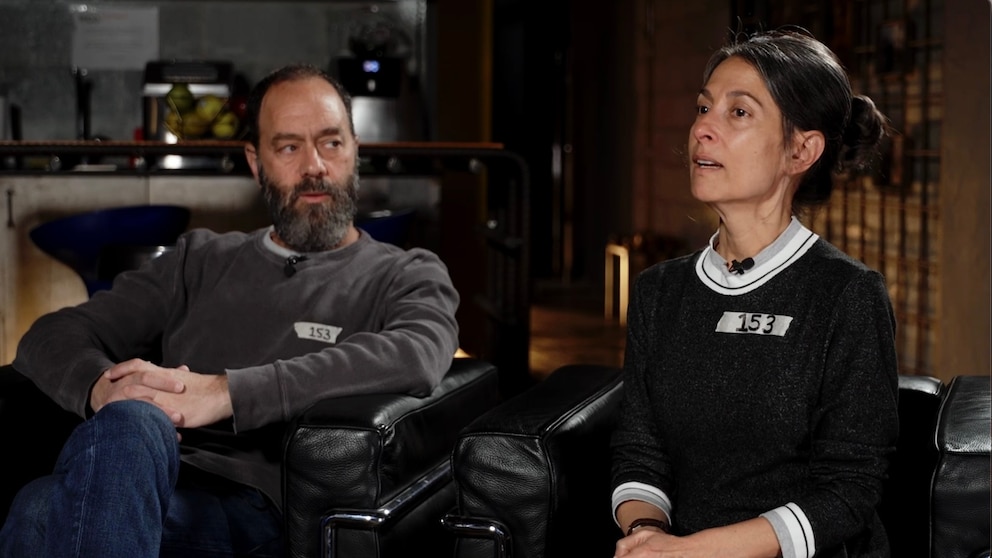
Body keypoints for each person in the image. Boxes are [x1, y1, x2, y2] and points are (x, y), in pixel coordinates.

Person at [0, 64, 460, 557]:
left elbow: (416, 353)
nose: (315, 166)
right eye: (289, 147)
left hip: (261, 504)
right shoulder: (198, 260)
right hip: (150, 469)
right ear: (255, 162)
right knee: (114, 436)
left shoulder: (404, 272)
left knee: (40, 510)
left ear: (355, 150)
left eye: (331, 142)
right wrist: (101, 387)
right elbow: (51, 335)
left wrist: (226, 393)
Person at [610, 29, 898, 558]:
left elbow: (849, 493)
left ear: (801, 150)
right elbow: (639, 451)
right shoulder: (658, 291)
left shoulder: (848, 294)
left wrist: (694, 551)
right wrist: (646, 536)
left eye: (738, 112)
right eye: (703, 108)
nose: (702, 129)